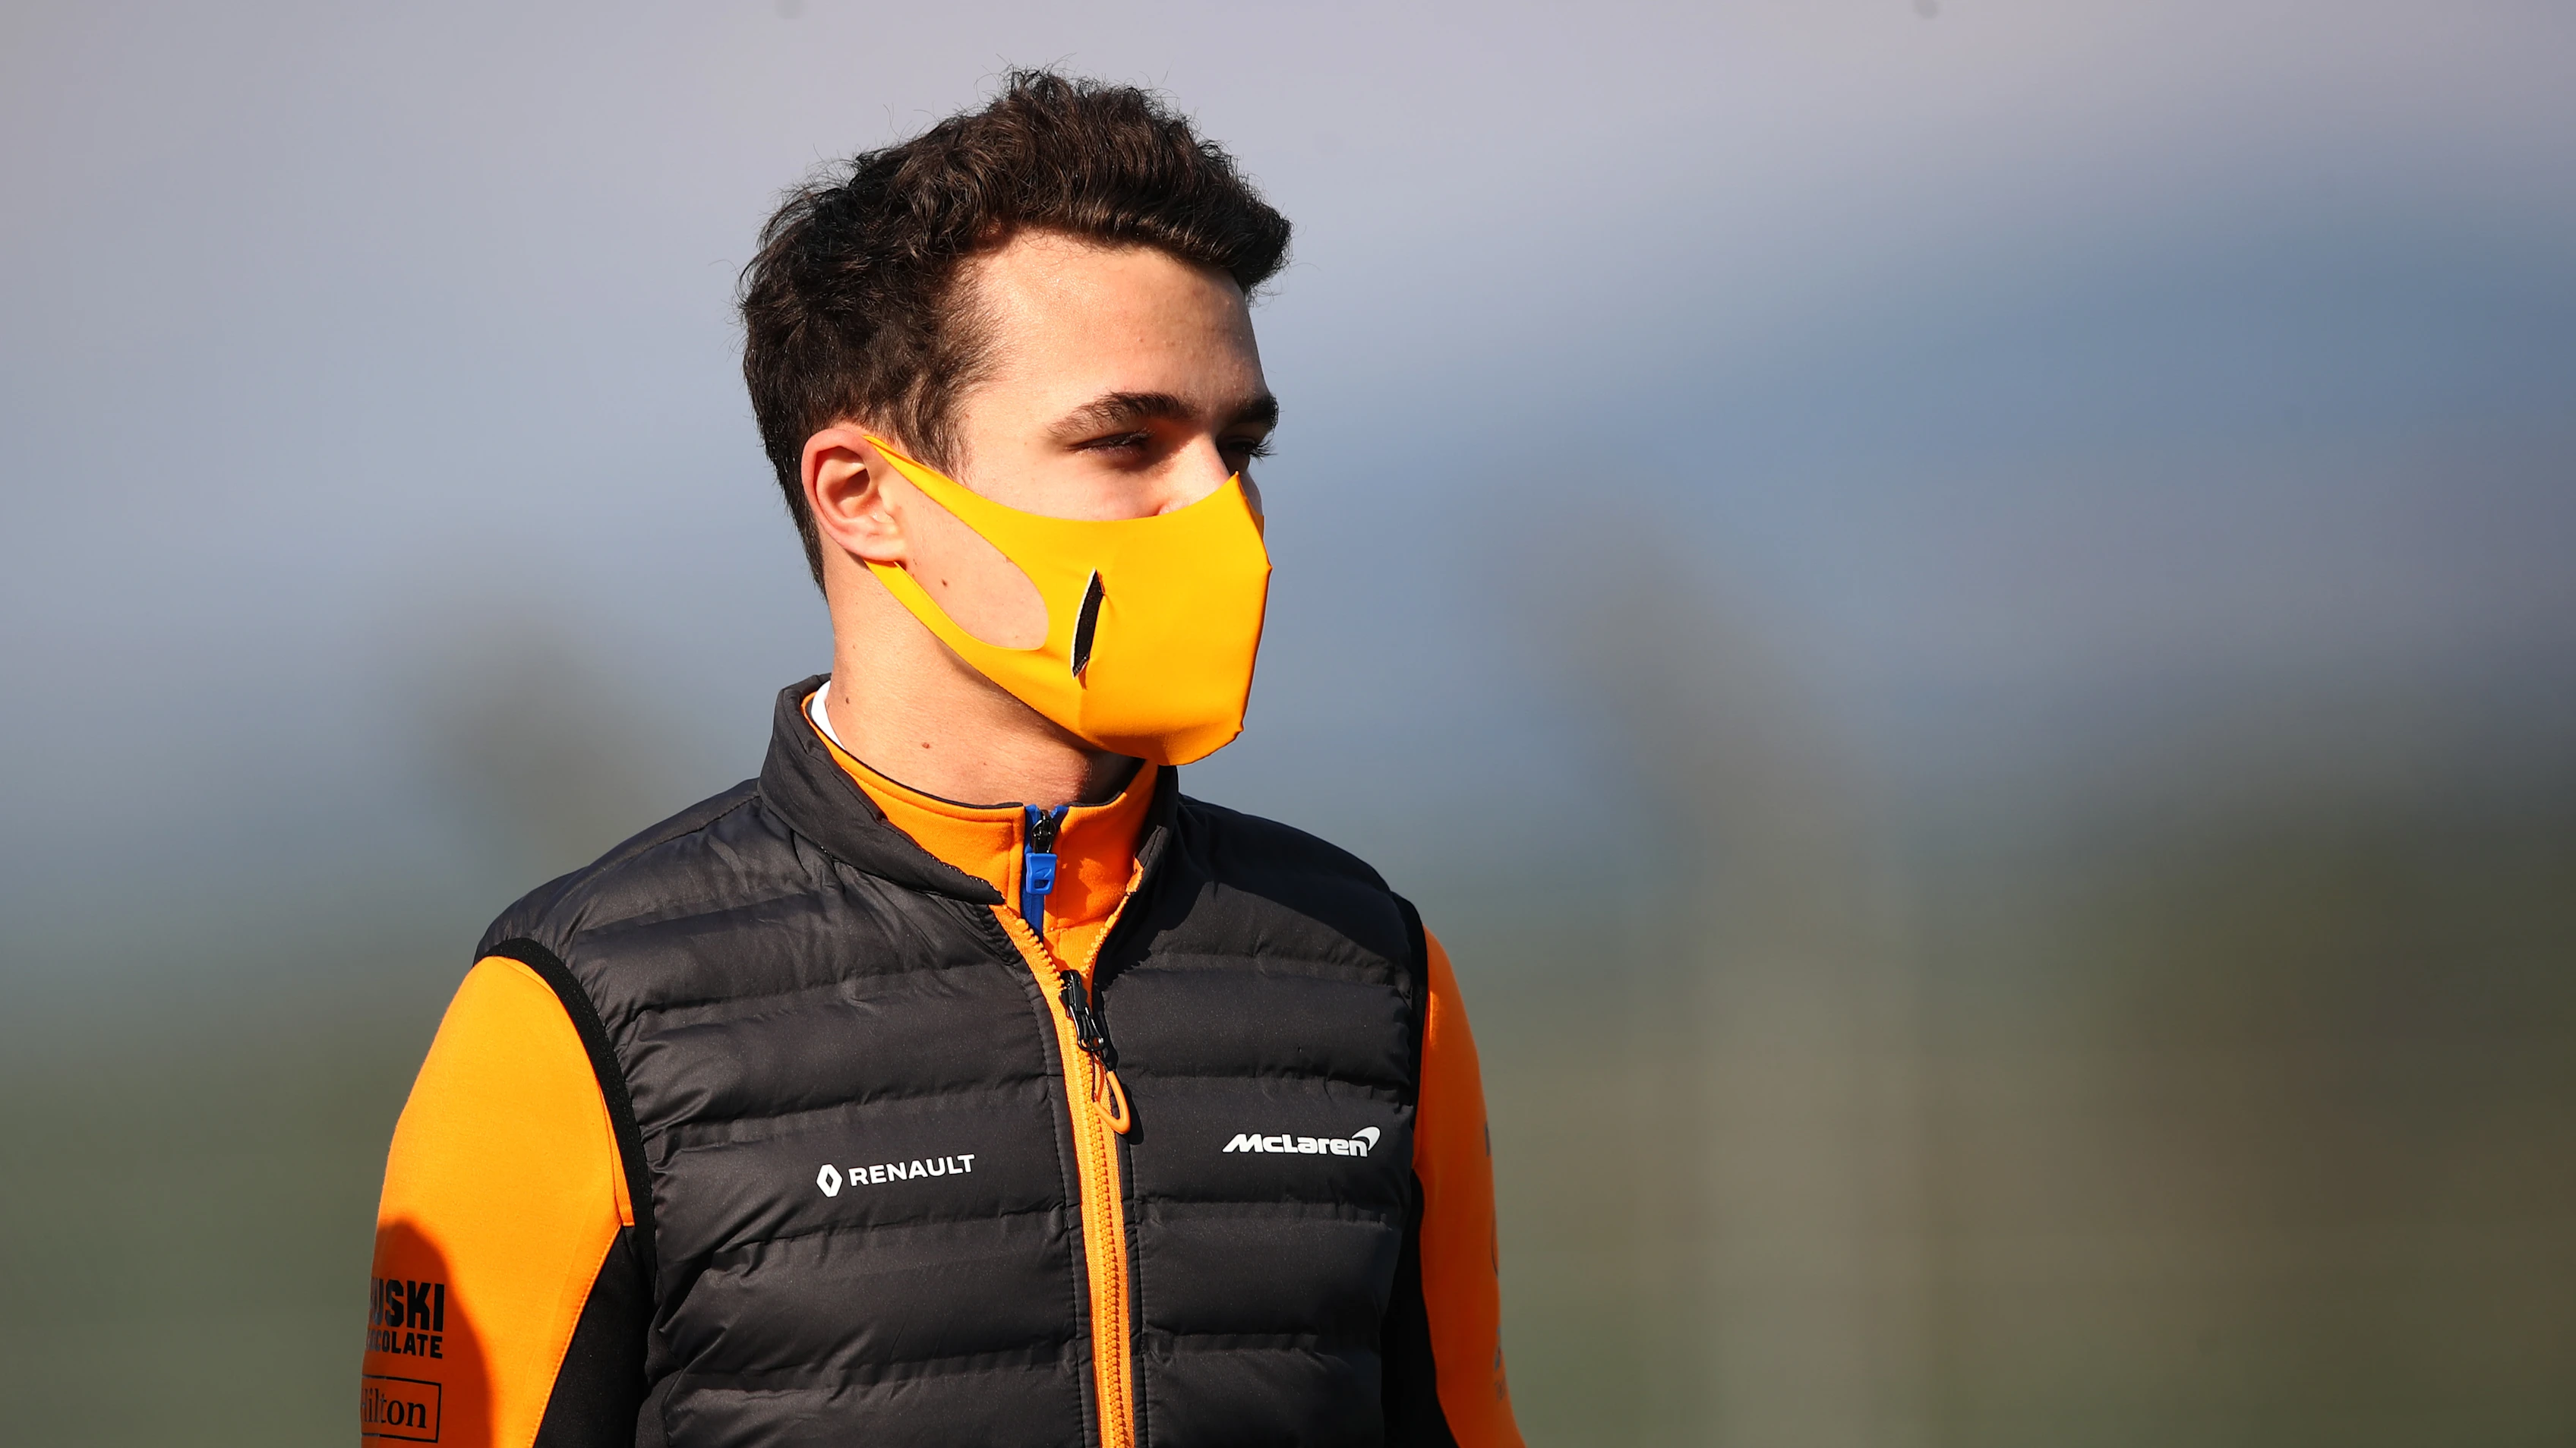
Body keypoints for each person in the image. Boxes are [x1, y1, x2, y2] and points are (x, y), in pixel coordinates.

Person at [362, 71, 1521, 1448]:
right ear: (867, 497)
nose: (1221, 512)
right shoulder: (579, 1009)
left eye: (1239, 445)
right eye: (1127, 441)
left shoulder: (1371, 968)